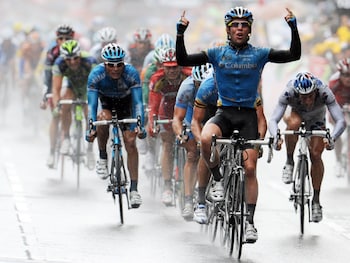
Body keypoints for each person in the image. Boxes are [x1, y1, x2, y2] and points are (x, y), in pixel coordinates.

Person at [175, 6, 301, 242]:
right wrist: (180, 33)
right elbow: (183, 59)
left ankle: (250, 223)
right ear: (228, 29)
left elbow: (293, 55)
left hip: (248, 118)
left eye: (244, 25)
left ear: (250, 30)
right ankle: (217, 182)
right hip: (224, 113)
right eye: (235, 25)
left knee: (251, 168)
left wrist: (293, 27)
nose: (240, 29)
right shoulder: (216, 53)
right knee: (204, 139)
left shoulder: (260, 53)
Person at [268, 72, 345, 222]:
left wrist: (332, 138)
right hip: (295, 114)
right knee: (294, 124)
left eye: (310, 96)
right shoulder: (288, 93)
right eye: (303, 97)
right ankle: (289, 162)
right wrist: (275, 136)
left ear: (315, 91)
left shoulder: (324, 92)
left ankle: (316, 201)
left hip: (317, 118)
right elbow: (273, 119)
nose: (308, 100)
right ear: (297, 93)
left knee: (316, 155)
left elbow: (341, 120)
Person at [191, 74, 268, 224]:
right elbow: (196, 120)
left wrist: (258, 143)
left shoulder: (247, 87)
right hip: (215, 116)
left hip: (242, 120)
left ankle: (248, 219)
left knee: (250, 167)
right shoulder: (207, 87)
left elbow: (260, 119)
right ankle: (202, 200)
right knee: (206, 151)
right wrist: (201, 141)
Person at [85, 43, 146, 209]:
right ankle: (103, 157)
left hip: (127, 105)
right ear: (104, 64)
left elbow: (139, 102)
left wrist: (140, 124)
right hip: (106, 104)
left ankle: (134, 190)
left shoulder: (131, 73)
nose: (115, 68)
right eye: (111, 65)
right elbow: (91, 105)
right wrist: (90, 128)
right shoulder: (96, 74)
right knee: (102, 119)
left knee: (131, 142)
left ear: (123, 63)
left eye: (119, 64)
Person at [147, 47, 191, 206]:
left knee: (190, 145)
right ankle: (167, 186)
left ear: (180, 66)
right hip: (166, 108)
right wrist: (152, 122)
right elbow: (153, 104)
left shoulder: (189, 74)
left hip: (185, 108)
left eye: (175, 67)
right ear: (162, 67)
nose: (172, 71)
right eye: (168, 67)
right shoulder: (157, 79)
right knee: (167, 144)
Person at [172, 63, 212, 220]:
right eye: (198, 84)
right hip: (191, 114)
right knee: (192, 153)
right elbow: (177, 118)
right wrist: (180, 133)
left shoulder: (217, 85)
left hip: (211, 112)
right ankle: (188, 200)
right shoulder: (187, 87)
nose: (202, 88)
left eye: (205, 84)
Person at [51, 39, 97, 169]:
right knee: (65, 103)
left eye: (75, 58)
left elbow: (97, 85)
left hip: (89, 87)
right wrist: (56, 106)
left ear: (80, 55)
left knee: (90, 113)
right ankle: (66, 137)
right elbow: (56, 88)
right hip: (72, 87)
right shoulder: (59, 63)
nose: (72, 62)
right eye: (68, 59)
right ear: (63, 58)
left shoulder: (90, 61)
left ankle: (89, 149)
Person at [41, 24, 75, 168]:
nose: (63, 41)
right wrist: (45, 95)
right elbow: (47, 76)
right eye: (60, 38)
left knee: (67, 108)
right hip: (55, 84)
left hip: (70, 83)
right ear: (57, 39)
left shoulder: (76, 50)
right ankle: (51, 151)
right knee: (55, 116)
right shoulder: (52, 53)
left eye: (67, 38)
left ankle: (67, 136)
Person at [328, 58, 350, 176]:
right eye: (345, 75)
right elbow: (328, 100)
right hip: (338, 105)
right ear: (340, 74)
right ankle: (338, 161)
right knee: (337, 129)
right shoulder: (334, 81)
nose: (348, 79)